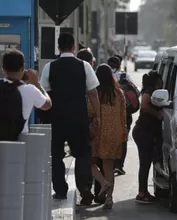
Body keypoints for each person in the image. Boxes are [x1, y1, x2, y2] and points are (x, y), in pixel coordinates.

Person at [40, 33, 101, 205]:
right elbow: (93, 93)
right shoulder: (84, 66)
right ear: (74, 47)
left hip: (56, 118)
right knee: (83, 154)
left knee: (56, 155)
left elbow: (44, 92)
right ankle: (85, 190)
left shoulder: (49, 67)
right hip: (78, 118)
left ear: (58, 48)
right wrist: (97, 115)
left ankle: (60, 191)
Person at [77, 48, 110, 204]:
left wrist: (95, 117)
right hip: (108, 131)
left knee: (87, 161)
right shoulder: (115, 91)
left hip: (89, 128)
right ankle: (101, 193)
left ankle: (89, 191)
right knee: (101, 162)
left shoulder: (86, 82)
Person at [94, 63, 127, 209]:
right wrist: (123, 134)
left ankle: (102, 182)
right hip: (115, 133)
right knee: (109, 166)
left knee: (90, 161)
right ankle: (109, 198)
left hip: (98, 132)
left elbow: (90, 111)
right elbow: (123, 116)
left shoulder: (96, 92)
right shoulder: (119, 93)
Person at [0, 50, 52, 140]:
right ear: (23, 68)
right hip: (19, 142)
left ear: (3, 68)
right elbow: (47, 105)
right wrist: (37, 83)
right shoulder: (30, 90)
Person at [132, 70, 163, 204]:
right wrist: (157, 115)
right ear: (157, 80)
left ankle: (143, 191)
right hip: (144, 131)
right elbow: (144, 105)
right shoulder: (150, 90)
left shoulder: (151, 90)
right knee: (145, 163)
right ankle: (141, 193)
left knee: (146, 162)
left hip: (146, 131)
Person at [108, 56, 139, 175]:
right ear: (119, 64)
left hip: (107, 112)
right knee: (123, 139)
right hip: (124, 113)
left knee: (108, 137)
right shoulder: (124, 76)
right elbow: (135, 92)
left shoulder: (100, 74)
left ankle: (108, 163)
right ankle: (119, 165)